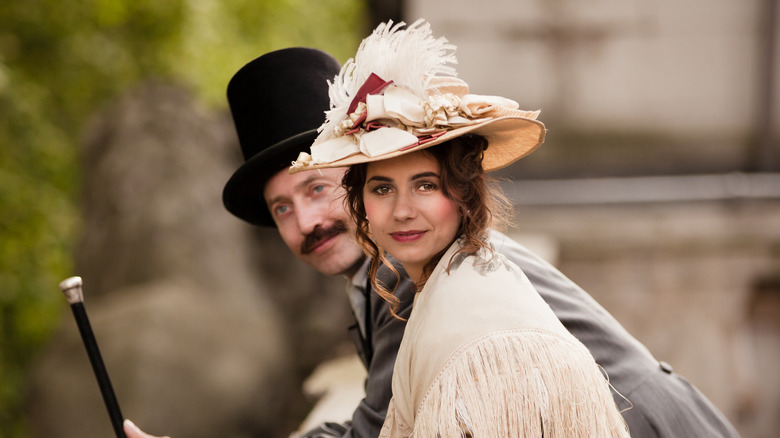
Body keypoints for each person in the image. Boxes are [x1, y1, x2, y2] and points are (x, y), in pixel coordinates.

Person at [125, 23, 740, 438]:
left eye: (315, 190)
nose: (307, 222)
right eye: (282, 208)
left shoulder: (407, 267)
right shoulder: (398, 269)